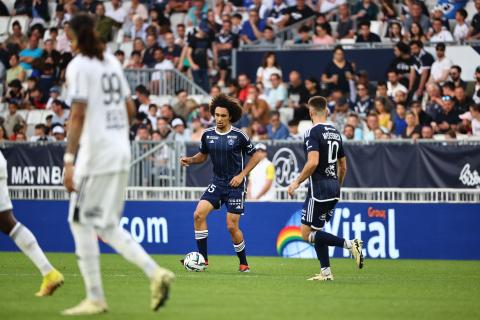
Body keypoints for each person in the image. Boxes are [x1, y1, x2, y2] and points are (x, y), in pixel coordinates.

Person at [62, 13, 174, 316]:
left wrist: (69, 160)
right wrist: (112, 132)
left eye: (67, 33)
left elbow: (77, 115)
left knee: (78, 220)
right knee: (107, 225)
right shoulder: (110, 61)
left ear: (76, 35)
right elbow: (129, 108)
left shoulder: (79, 66)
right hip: (119, 149)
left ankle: (95, 297)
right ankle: (155, 272)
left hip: (96, 154)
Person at [179, 94, 262, 272]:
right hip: (217, 182)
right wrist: (191, 160)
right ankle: (203, 260)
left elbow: (256, 156)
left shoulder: (240, 135)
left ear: (230, 116)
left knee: (232, 226)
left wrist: (242, 175)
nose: (219, 119)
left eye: (223, 116)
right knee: (198, 215)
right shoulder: (207, 135)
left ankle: (244, 263)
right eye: (216, 115)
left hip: (235, 185)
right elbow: (203, 155)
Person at [287, 96, 363, 281]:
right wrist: (338, 185)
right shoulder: (336, 133)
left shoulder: (311, 132)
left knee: (306, 234)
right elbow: (343, 166)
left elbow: (313, 162)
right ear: (326, 111)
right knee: (317, 232)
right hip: (334, 187)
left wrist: (296, 182)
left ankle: (350, 244)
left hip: (318, 190)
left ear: (311, 113)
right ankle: (326, 273)